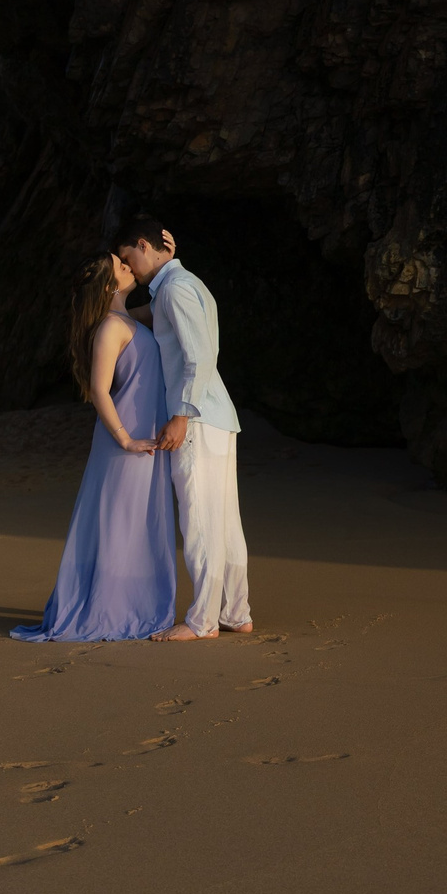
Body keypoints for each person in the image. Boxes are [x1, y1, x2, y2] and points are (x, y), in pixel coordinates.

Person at [10, 253, 178, 642]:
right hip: (125, 442)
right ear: (108, 286)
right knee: (119, 525)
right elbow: (99, 390)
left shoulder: (127, 320)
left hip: (142, 440)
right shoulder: (109, 328)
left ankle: (133, 605)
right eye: (121, 266)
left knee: (137, 525)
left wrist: (168, 259)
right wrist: (123, 438)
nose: (128, 267)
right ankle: (109, 610)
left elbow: (166, 303)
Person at [113, 219, 251, 640]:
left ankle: (203, 621)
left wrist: (181, 415)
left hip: (198, 418)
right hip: (216, 417)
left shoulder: (174, 289)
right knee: (224, 521)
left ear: (144, 245)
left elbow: (200, 355)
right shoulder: (180, 285)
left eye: (127, 258)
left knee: (200, 520)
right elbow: (134, 316)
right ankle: (234, 612)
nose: (127, 266)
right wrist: (117, 293)